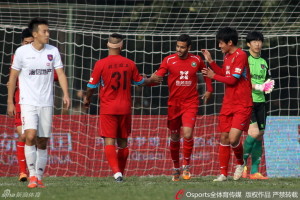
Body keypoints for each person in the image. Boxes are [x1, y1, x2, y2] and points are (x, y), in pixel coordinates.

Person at [83, 33, 162, 182]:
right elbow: (139, 82)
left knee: (109, 141)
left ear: (107, 45)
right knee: (123, 142)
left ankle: (116, 172)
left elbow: (91, 86)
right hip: (125, 107)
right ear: (121, 46)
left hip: (108, 108)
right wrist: (151, 79)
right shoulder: (129, 63)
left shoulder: (101, 64)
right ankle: (120, 173)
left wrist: (87, 98)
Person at [7, 17, 70, 188]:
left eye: (48, 31)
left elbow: (61, 74)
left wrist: (66, 94)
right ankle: (32, 175)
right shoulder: (22, 52)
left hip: (46, 103)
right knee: (30, 135)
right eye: (44, 31)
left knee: (42, 140)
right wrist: (10, 102)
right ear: (35, 34)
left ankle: (39, 177)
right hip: (27, 102)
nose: (48, 34)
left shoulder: (53, 51)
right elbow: (12, 78)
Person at [153, 34, 213, 181]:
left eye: (182, 47)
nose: (179, 49)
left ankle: (186, 165)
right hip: (174, 104)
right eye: (177, 46)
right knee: (174, 137)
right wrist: (149, 80)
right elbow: (159, 74)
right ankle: (176, 168)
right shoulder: (169, 60)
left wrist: (209, 89)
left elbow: (206, 74)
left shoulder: (196, 60)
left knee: (187, 133)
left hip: (190, 102)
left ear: (189, 48)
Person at [201, 27, 252, 181]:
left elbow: (232, 80)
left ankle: (240, 163)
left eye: (221, 43)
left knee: (233, 138)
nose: (219, 46)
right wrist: (210, 62)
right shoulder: (227, 56)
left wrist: (213, 75)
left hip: (242, 104)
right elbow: (225, 74)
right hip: (228, 103)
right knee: (224, 137)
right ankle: (223, 174)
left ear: (230, 42)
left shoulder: (241, 55)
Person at [242, 31, 274, 180]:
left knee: (260, 135)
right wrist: (256, 87)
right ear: (248, 44)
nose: (257, 44)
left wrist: (268, 85)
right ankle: (241, 164)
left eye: (259, 41)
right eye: (254, 41)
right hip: (247, 100)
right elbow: (242, 81)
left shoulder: (264, 61)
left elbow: (267, 80)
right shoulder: (244, 59)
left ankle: (254, 171)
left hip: (261, 101)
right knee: (254, 133)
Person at [7, 28, 34, 182]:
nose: (28, 45)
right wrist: (10, 102)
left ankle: (34, 172)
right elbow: (12, 79)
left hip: (37, 101)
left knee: (34, 137)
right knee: (23, 135)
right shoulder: (17, 57)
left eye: (31, 43)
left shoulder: (41, 57)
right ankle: (23, 172)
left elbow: (55, 75)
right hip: (20, 101)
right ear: (21, 43)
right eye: (25, 43)